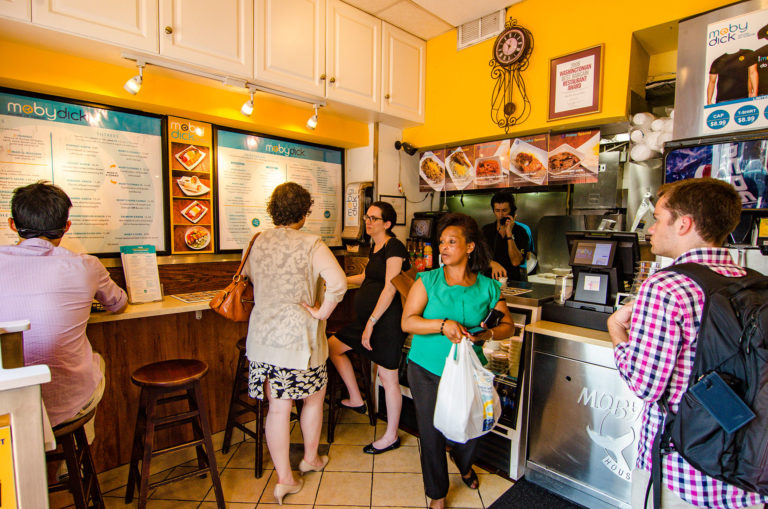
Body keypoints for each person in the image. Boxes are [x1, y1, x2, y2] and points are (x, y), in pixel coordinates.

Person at [607, 178, 768, 509]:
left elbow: (644, 384)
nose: (650, 229)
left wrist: (616, 332)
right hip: (743, 468)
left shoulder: (667, 286)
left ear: (684, 223)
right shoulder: (752, 281)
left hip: (681, 470)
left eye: (658, 218)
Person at [242, 182, 346, 505]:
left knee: (277, 407)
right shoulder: (311, 243)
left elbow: (247, 276)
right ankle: (311, 458)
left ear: (274, 210)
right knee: (314, 397)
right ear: (303, 212)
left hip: (263, 338)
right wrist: (321, 311)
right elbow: (339, 283)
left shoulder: (258, 241)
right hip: (298, 341)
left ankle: (284, 478)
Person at [402, 213, 515, 509]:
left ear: (470, 247)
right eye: (442, 242)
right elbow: (408, 322)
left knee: (472, 425)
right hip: (426, 368)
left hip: (469, 371)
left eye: (452, 242)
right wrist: (442, 325)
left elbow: (508, 327)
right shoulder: (428, 280)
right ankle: (437, 494)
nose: (444, 247)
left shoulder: (489, 287)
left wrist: (487, 332)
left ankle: (463, 463)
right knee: (431, 433)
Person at [0, 181, 127, 439]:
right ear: (66, 227)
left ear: (13, 224)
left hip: (8, 407)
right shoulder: (86, 265)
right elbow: (119, 304)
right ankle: (74, 460)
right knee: (95, 362)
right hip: (69, 404)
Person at [327, 201, 410, 454]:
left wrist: (371, 323)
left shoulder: (394, 246)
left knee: (388, 376)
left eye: (374, 218)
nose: (368, 221)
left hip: (386, 322)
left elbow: (391, 285)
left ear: (387, 224)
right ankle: (356, 398)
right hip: (369, 321)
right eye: (367, 217)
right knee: (333, 346)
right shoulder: (375, 246)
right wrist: (333, 282)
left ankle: (391, 435)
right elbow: (366, 277)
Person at [482, 191, 533, 282]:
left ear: (511, 211)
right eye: (497, 211)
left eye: (504, 211)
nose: (501, 215)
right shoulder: (486, 230)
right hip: (489, 281)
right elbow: (476, 257)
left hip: (513, 282)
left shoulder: (521, 232)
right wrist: (492, 264)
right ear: (493, 211)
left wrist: (509, 234)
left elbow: (516, 261)